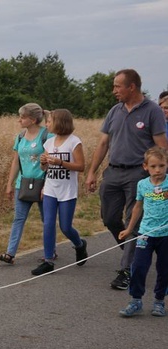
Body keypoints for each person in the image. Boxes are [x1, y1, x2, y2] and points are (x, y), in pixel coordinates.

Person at [84, 69, 168, 290]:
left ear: (132, 87)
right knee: (110, 218)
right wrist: (92, 171)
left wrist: (161, 176)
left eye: (117, 86)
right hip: (113, 172)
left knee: (134, 219)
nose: (114, 91)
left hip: (138, 174)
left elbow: (161, 146)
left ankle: (127, 270)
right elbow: (103, 143)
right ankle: (138, 250)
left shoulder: (152, 111)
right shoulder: (115, 111)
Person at [30, 109, 88, 275]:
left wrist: (61, 162)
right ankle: (48, 261)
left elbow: (81, 166)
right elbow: (45, 167)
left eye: (49, 121)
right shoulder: (48, 143)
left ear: (60, 122)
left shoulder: (73, 142)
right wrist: (43, 162)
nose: (46, 124)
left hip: (67, 191)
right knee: (48, 223)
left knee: (65, 227)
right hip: (50, 188)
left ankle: (79, 244)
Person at [117, 146, 168, 317]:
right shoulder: (142, 185)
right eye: (153, 166)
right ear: (145, 167)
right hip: (145, 233)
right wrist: (129, 229)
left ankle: (159, 301)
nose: (158, 170)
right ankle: (136, 300)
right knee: (138, 266)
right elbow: (137, 207)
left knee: (164, 269)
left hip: (165, 235)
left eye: (161, 165)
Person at [0, 103, 49, 265]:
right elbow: (16, 162)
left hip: (42, 184)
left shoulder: (47, 136)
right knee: (18, 218)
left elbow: (50, 163)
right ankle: (10, 254)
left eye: (22, 117)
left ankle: (50, 251)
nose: (19, 120)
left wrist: (47, 185)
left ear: (32, 120)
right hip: (23, 184)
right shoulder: (20, 137)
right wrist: (9, 183)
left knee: (46, 219)